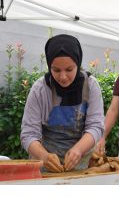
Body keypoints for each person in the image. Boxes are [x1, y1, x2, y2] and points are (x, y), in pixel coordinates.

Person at [21, 34, 104, 172]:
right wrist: (44, 156)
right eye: (56, 70)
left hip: (82, 166)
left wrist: (78, 149)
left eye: (69, 70)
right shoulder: (40, 89)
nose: (63, 77)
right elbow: (28, 134)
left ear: (78, 64)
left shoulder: (90, 86)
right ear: (49, 66)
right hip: (46, 167)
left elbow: (96, 126)